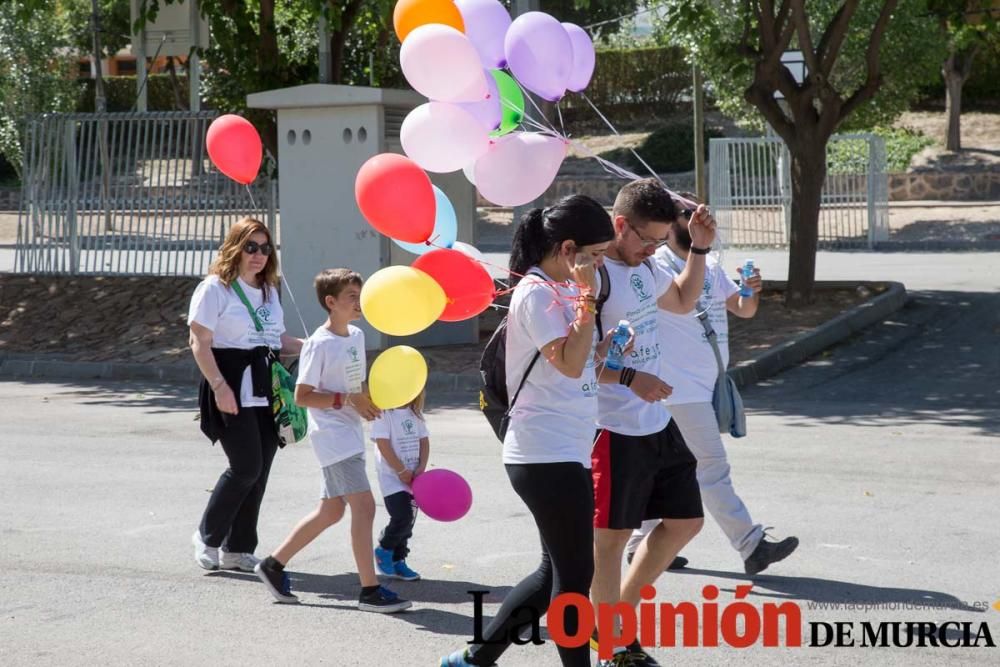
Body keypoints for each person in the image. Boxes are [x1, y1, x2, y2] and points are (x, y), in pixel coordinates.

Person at [441, 195, 617, 667]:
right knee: (575, 580)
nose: (601, 265)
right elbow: (568, 361)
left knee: (552, 573)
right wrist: (587, 303)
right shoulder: (538, 293)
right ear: (568, 249)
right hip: (543, 453)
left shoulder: (561, 289)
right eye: (596, 255)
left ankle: (474, 659)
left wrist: (610, 350)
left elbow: (581, 367)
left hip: (567, 448)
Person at [624, 204, 799, 575]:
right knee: (712, 468)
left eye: (701, 212)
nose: (696, 218)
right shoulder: (659, 267)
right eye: (687, 212)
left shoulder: (711, 265)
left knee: (674, 469)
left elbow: (742, 309)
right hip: (678, 389)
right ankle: (751, 544)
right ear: (671, 225)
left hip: (702, 386)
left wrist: (751, 292)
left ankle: (641, 544)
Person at [589, 178, 717, 666]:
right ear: (619, 225)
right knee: (610, 540)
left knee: (686, 520)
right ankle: (612, 646)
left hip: (654, 421)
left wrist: (697, 250)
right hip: (612, 425)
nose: (653, 250)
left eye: (663, 241)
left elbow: (683, 300)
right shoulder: (594, 277)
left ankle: (614, 615)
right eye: (646, 240)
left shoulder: (646, 267)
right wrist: (627, 377)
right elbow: (570, 360)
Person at [253, 268, 410, 613]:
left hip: (350, 432)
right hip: (333, 437)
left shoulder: (355, 335)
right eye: (352, 296)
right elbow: (302, 396)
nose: (359, 302)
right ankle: (369, 590)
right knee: (365, 508)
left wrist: (369, 400)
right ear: (331, 302)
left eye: (360, 294)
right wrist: (345, 401)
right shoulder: (318, 345)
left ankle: (273, 565)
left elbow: (354, 384)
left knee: (331, 510)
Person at [188, 216, 303, 573]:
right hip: (230, 383)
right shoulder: (215, 288)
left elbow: (277, 341)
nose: (258, 255)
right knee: (245, 467)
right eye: (251, 246)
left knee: (261, 470)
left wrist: (316, 346)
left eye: (265, 248)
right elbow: (199, 342)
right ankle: (206, 537)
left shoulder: (269, 291)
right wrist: (220, 387)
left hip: (266, 387)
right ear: (235, 247)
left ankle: (237, 548)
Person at [372, 389, 430, 582]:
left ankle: (399, 560)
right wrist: (400, 471)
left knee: (408, 522)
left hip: (414, 478)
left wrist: (421, 467)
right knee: (401, 516)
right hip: (392, 478)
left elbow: (424, 441)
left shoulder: (415, 414)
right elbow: (383, 444)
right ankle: (384, 548)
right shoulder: (384, 413)